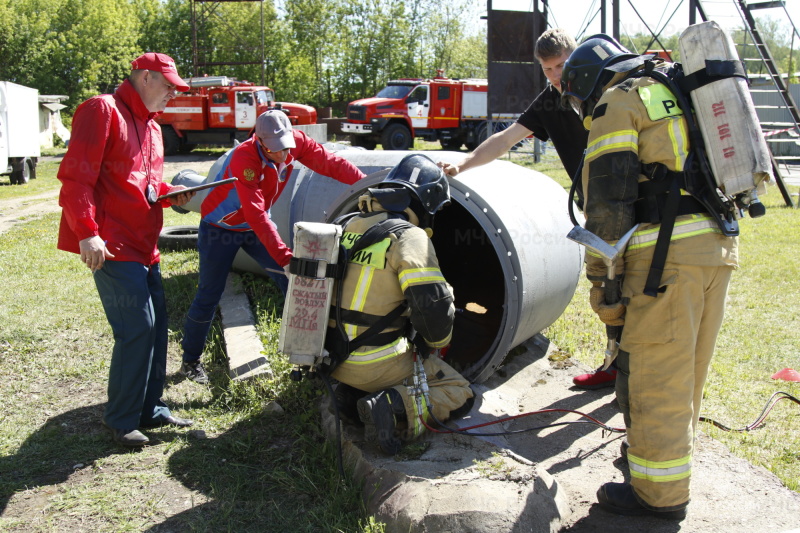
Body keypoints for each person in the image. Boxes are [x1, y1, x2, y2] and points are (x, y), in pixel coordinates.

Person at [561, 35, 738, 519]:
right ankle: (655, 463)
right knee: (686, 375)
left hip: (667, 261)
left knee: (657, 379)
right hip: (716, 249)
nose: (583, 107)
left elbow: (606, 207)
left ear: (588, 83)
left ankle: (658, 496)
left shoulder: (618, 102)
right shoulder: (675, 89)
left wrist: (601, 284)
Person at [438, 28, 614, 390]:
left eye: (562, 66)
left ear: (577, 58)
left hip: (630, 204)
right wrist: (464, 165)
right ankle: (615, 362)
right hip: (597, 210)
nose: (556, 76)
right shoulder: (551, 101)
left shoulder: (607, 92)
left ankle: (632, 369)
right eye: (548, 69)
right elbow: (506, 138)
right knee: (608, 288)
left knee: (635, 287)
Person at [57, 53, 197, 447]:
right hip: (112, 244)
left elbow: (143, 187)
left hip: (145, 244)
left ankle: (150, 410)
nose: (173, 93)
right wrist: (87, 232)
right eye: (169, 85)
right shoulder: (103, 110)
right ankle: (120, 419)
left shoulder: (153, 128)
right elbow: (75, 178)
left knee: (155, 330)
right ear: (146, 77)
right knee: (136, 328)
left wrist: (173, 194)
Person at [180, 110, 365, 384]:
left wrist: (366, 183)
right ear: (260, 141)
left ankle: (305, 355)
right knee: (209, 294)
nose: (283, 155)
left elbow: (329, 163)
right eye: (275, 150)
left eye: (286, 147)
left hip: (254, 229)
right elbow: (255, 214)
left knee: (291, 284)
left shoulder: (295, 143)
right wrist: (284, 257)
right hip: (220, 231)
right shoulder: (245, 158)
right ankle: (190, 361)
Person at [326, 154, 474, 455]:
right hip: (375, 363)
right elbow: (432, 310)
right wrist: (436, 343)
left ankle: (350, 398)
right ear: (425, 204)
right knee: (460, 391)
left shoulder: (347, 223)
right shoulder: (410, 237)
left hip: (331, 357)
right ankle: (395, 408)